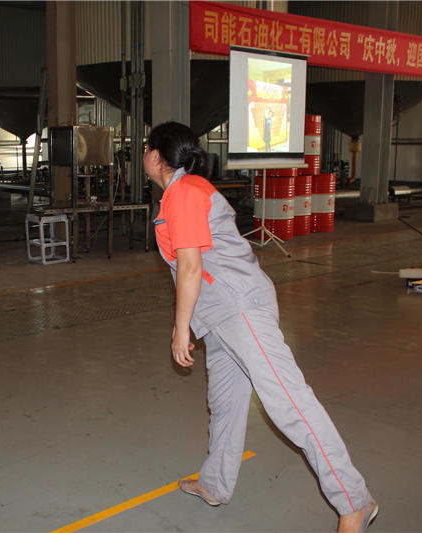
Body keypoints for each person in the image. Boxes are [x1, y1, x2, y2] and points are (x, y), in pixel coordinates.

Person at [144, 122, 377, 533]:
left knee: (289, 402)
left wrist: (180, 330)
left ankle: (355, 501)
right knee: (226, 404)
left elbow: (191, 267)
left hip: (239, 308)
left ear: (159, 156)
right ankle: (215, 484)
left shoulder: (184, 192)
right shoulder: (182, 192)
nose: (143, 155)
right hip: (218, 315)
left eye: (147, 147)